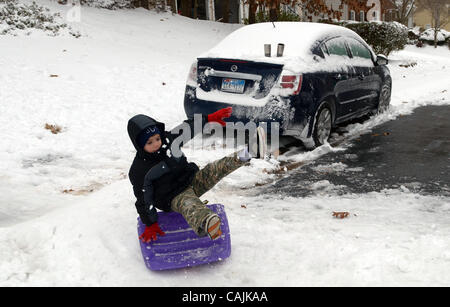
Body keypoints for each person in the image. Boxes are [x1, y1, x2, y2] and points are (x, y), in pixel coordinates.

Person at [127, 107, 266, 242]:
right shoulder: (140, 170)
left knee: (215, 168)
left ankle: (251, 152)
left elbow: (187, 128)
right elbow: (144, 199)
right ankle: (207, 223)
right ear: (139, 145)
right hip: (172, 197)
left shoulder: (169, 140)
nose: (156, 144)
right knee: (189, 204)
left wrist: (208, 119)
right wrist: (150, 223)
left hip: (190, 180)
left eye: (157, 138)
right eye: (149, 142)